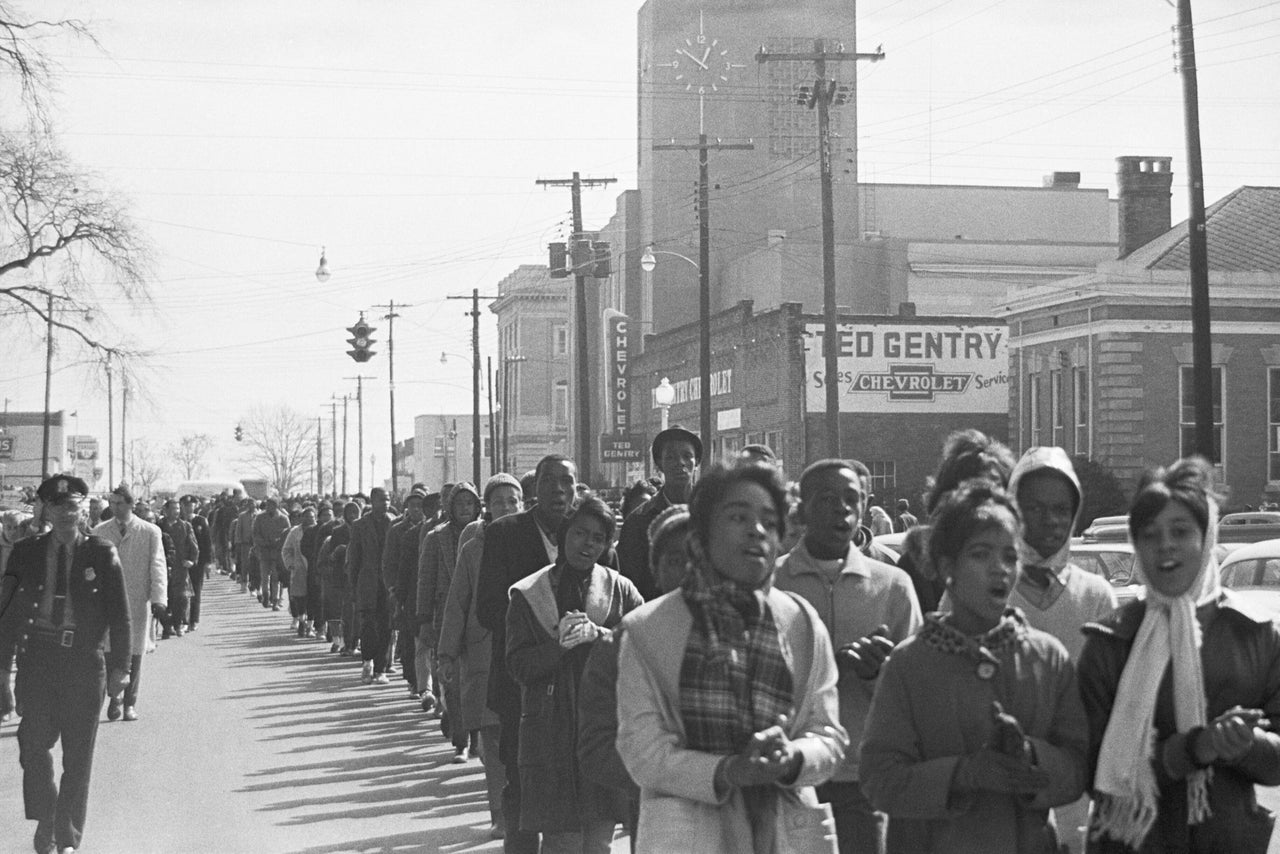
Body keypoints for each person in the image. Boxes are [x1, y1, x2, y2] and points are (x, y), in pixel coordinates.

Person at [616, 462, 848, 853]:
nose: (756, 530)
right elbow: (643, 752)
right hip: (689, 835)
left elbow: (828, 735)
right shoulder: (647, 630)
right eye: (738, 516)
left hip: (786, 832)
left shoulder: (802, 622)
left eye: (769, 521)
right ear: (702, 533)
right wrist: (727, 771)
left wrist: (792, 757)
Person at [859, 480, 1087, 853]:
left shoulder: (1048, 658)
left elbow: (1077, 770)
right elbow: (879, 780)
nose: (1000, 569)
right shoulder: (908, 663)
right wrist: (964, 774)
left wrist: (1029, 755)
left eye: (1010, 557)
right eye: (980, 555)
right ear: (947, 567)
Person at [1077, 457, 1280, 853]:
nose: (1165, 544)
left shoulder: (1256, 634)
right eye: (1150, 534)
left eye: (1181, 530)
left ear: (1206, 538)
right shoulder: (1109, 641)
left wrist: (1246, 745)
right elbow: (1090, 769)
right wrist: (1192, 749)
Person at [774, 459, 923, 854]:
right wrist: (826, 668)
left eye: (851, 499)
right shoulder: (771, 583)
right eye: (826, 499)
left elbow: (918, 691)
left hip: (864, 777)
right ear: (801, 509)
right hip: (788, 773)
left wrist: (880, 674)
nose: (841, 508)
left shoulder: (893, 585)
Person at [0, 475, 132, 854]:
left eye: (72, 506)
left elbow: (120, 617)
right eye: (57, 507)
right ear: (45, 510)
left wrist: (121, 668)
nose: (65, 514)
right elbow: (6, 615)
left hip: (83, 663)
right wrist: (2, 674)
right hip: (37, 660)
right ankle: (48, 816)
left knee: (78, 755)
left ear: (82, 509)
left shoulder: (102, 553)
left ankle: (65, 836)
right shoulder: (25, 553)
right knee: (33, 746)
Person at [506, 496, 644, 853]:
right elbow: (517, 666)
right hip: (550, 730)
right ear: (564, 534)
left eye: (598, 538)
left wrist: (599, 636)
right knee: (560, 841)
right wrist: (559, 646)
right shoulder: (528, 594)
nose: (588, 544)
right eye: (580, 533)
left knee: (600, 841)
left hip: (602, 726)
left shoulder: (620, 590)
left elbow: (646, 654)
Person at [477, 454, 584, 854]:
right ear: (534, 488)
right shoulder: (505, 533)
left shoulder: (586, 532)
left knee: (572, 781)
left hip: (576, 686)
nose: (559, 489)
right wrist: (540, 632)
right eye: (549, 481)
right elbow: (487, 607)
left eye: (567, 482)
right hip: (519, 682)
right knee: (522, 778)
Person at [577, 503, 691, 849]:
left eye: (701, 557)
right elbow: (596, 746)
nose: (690, 571)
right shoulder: (624, 642)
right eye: (675, 560)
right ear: (656, 569)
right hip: (661, 817)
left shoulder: (757, 632)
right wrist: (662, 773)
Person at [438, 472, 523, 840]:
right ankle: (500, 813)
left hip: (525, 653)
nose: (506, 507)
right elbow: (458, 601)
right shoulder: (472, 547)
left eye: (513, 500)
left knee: (522, 737)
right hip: (483, 653)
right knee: (492, 738)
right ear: (486, 507)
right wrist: (445, 652)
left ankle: (524, 809)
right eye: (499, 501)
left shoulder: (534, 543)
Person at [92, 485, 166, 723]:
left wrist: (158, 599)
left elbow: (157, 566)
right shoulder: (100, 531)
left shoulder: (150, 531)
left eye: (119, 504)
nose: (115, 508)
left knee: (135, 653)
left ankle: (130, 703)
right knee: (109, 651)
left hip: (136, 600)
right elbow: (91, 567)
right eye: (112, 504)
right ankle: (115, 698)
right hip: (107, 602)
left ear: (131, 504)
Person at [419, 481, 482, 757]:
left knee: (478, 680)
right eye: (459, 504)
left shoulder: (485, 534)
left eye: (470, 503)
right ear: (450, 507)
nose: (465, 509)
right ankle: (461, 740)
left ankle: (479, 736)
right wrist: (423, 620)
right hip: (447, 615)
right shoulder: (436, 537)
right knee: (452, 681)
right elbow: (425, 580)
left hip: (479, 617)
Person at [617, 426, 702, 600]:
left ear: (697, 461)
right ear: (659, 463)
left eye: (687, 456)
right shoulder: (638, 521)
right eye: (670, 457)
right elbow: (631, 584)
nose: (680, 462)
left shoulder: (711, 515)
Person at [348, 487, 396, 684]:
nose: (385, 503)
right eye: (381, 500)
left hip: (388, 585)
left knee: (386, 627)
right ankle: (367, 660)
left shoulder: (394, 523)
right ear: (372, 501)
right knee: (368, 626)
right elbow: (354, 559)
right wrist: (353, 587)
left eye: (387, 499)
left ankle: (380, 669)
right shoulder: (360, 526)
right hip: (366, 583)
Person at [157, 498, 198, 639]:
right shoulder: (159, 526)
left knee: (181, 598)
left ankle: (178, 624)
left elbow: (193, 546)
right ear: (166, 510)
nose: (176, 512)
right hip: (162, 567)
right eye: (173, 509)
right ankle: (167, 627)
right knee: (163, 599)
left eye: (178, 509)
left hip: (180, 568)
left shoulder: (185, 526)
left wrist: (192, 561)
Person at [252, 496, 291, 610]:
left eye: (272, 505)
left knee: (276, 576)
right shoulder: (260, 518)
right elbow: (255, 534)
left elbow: (288, 534)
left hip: (277, 552)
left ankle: (275, 601)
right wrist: (262, 542)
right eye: (268, 505)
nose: (269, 507)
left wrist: (278, 542)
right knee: (264, 576)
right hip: (264, 551)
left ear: (277, 506)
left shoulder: (283, 519)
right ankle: (265, 595)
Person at [282, 507, 316, 637]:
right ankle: (301, 621)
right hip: (299, 570)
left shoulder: (318, 530)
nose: (310, 519)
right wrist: (291, 564)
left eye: (312, 517)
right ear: (302, 518)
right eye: (307, 517)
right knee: (300, 598)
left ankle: (310, 626)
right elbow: (286, 550)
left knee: (313, 599)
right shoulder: (295, 532)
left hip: (313, 569)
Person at [179, 496, 211, 628]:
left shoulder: (201, 521)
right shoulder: (178, 521)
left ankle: (193, 620)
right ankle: (183, 619)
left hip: (198, 562)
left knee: (196, 591)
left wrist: (208, 562)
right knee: (181, 591)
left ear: (195, 506)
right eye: (185, 505)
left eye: (190, 505)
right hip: (181, 561)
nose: (188, 508)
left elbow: (207, 542)